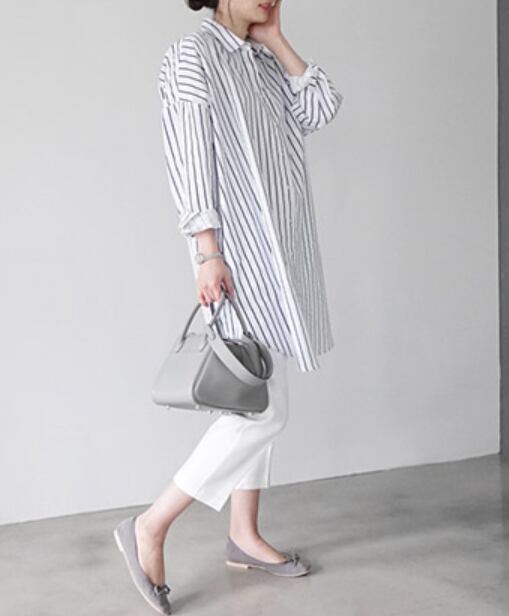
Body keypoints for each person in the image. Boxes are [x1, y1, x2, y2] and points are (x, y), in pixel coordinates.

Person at [113, 0, 343, 613]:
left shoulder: (263, 59)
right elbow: (188, 156)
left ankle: (244, 534)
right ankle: (150, 525)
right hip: (238, 255)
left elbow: (321, 107)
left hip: (283, 256)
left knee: (262, 393)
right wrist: (207, 250)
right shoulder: (192, 55)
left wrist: (278, 40)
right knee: (260, 410)